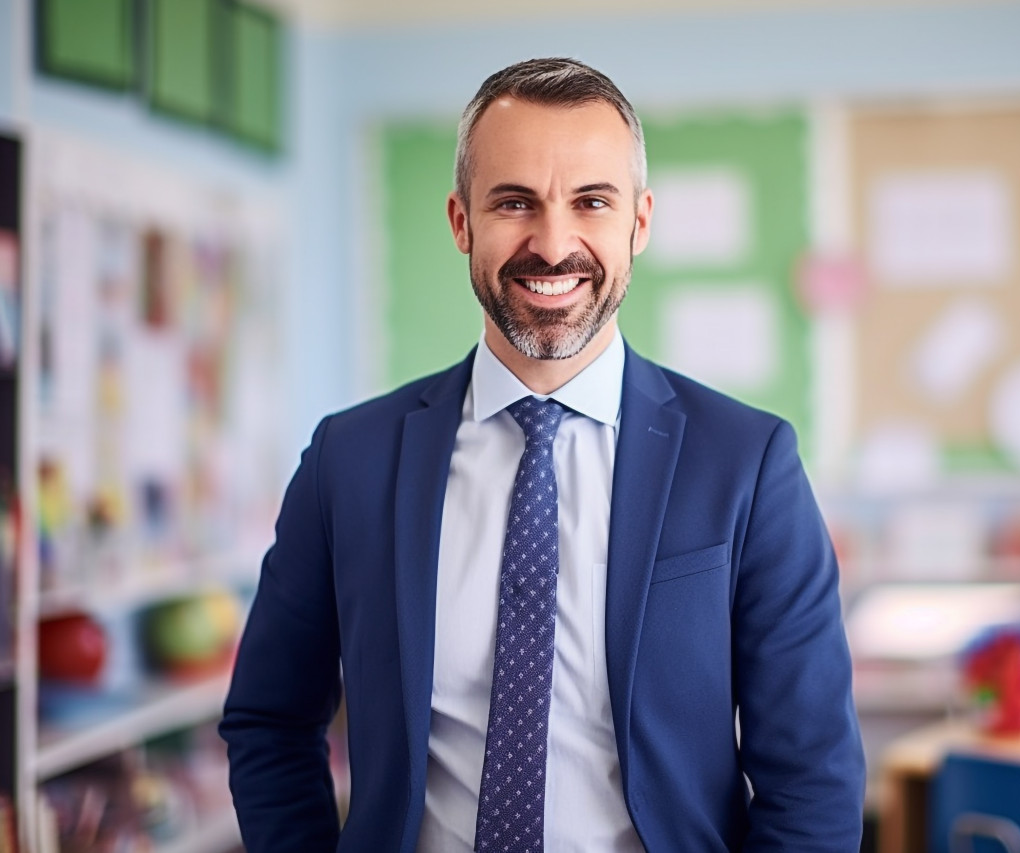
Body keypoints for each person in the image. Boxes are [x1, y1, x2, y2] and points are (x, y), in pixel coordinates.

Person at [220, 57, 865, 852]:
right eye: (514, 202)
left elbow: (812, 774)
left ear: (639, 221)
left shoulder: (749, 464)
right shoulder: (347, 460)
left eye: (591, 202)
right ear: (461, 221)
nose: (553, 244)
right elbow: (271, 720)